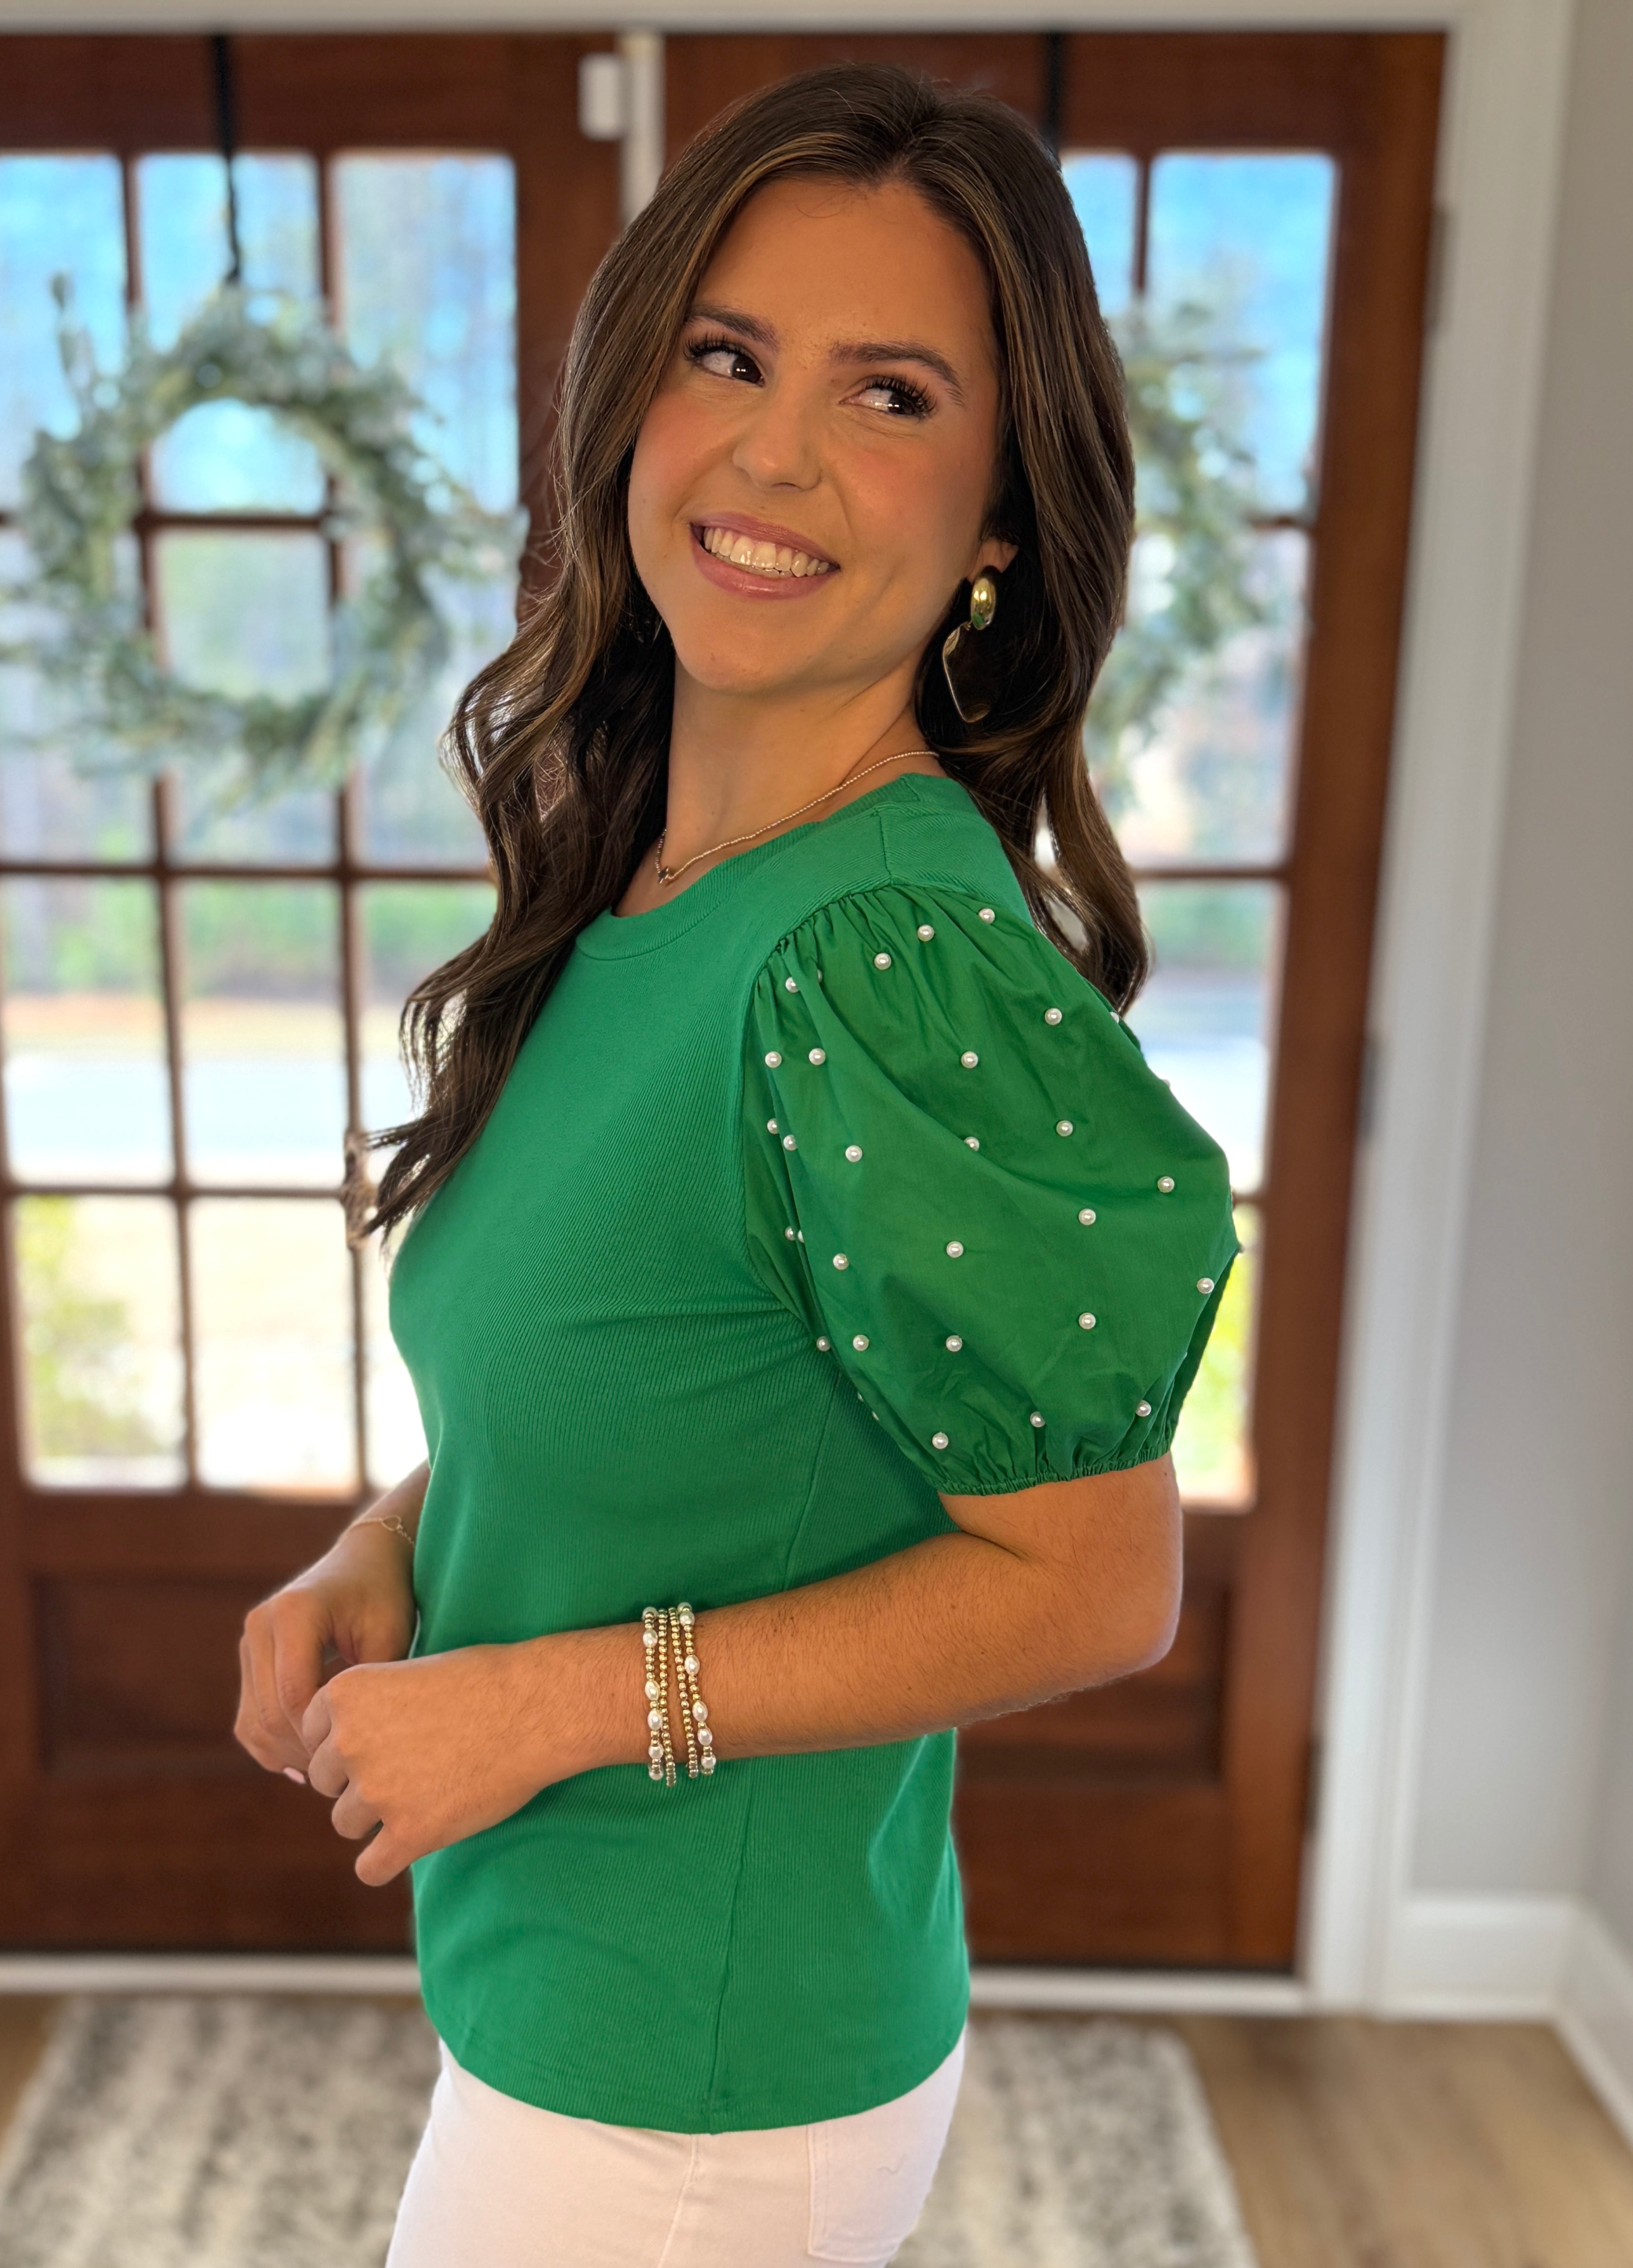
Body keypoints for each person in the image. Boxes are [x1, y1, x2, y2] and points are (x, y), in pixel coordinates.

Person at [235, 62, 1236, 2268]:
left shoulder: (882, 958)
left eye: (889, 394)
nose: (775, 452)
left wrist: (544, 1700)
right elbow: (680, 1368)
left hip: (686, 2090)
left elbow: (1092, 1577)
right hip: (594, 2004)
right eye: (727, 354)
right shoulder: (657, 893)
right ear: (633, 401)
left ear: (1000, 516)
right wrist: (397, 1542)